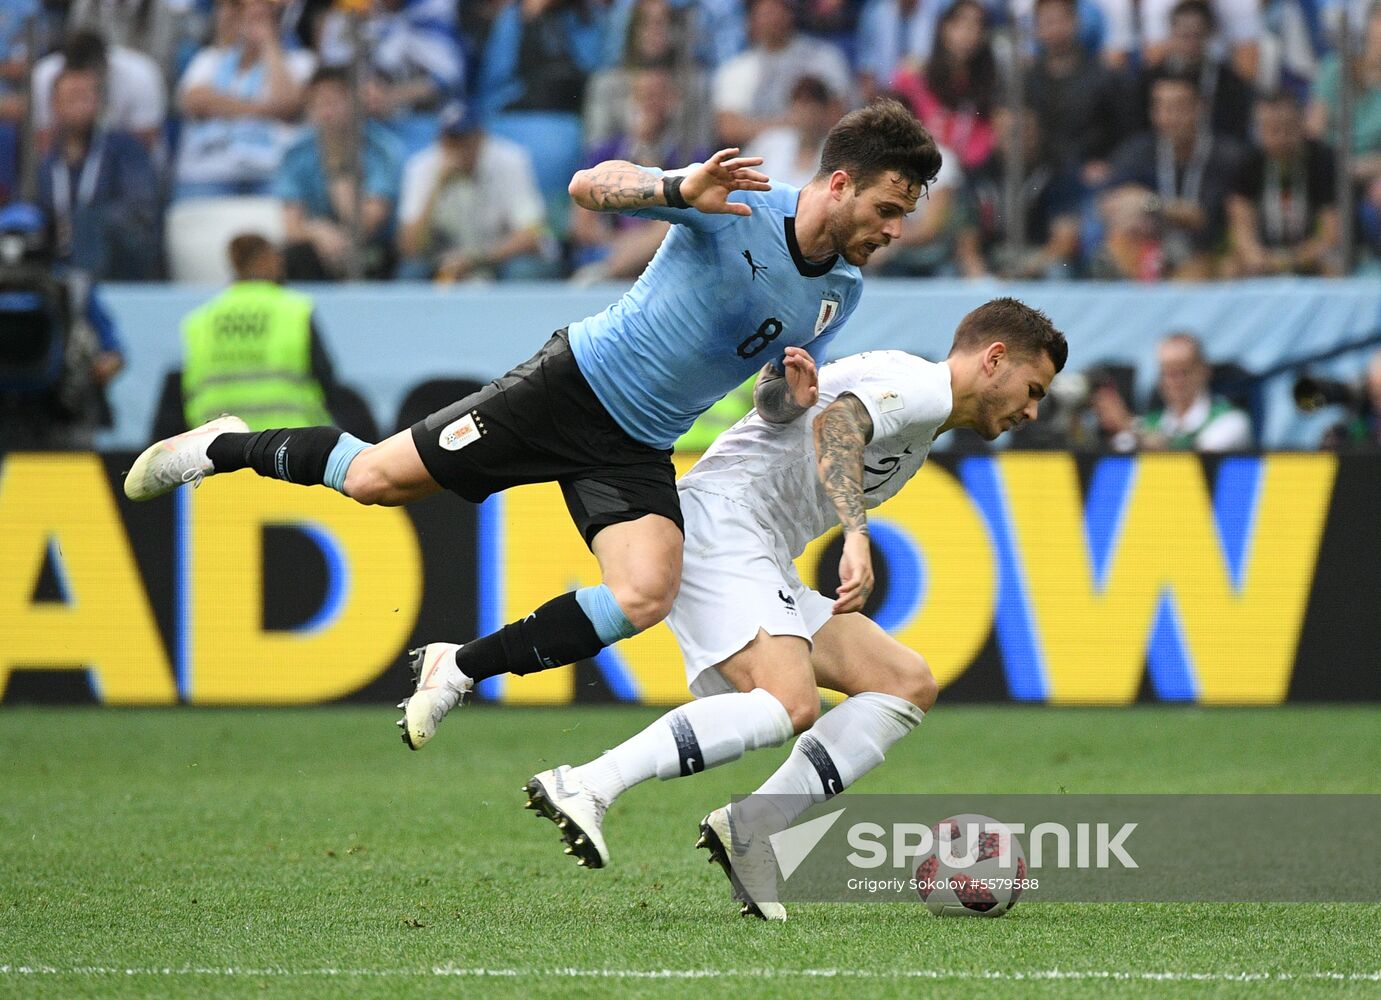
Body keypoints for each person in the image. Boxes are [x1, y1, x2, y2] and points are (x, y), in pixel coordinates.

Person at [122, 99, 943, 755]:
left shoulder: (842, 288)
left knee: (646, 593)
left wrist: (787, 401)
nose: (893, 230)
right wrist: (673, 187)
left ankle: (458, 665)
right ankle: (220, 445)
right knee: (374, 481)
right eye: (885, 207)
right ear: (838, 184)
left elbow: (765, 392)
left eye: (903, 215)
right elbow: (589, 186)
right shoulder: (736, 202)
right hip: (570, 387)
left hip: (636, 443)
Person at [522, 298, 1067, 921]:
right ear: (994, 359)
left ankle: (755, 823)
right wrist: (856, 537)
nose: (1031, 410)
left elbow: (782, 408)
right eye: (1033, 389)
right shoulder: (920, 388)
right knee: (791, 702)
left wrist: (783, 392)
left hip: (759, 547)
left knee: (903, 683)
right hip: (724, 524)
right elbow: (835, 426)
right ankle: (588, 783)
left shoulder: (920, 406)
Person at [0, 203, 124, 450]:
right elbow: (115, 357)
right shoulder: (76, 285)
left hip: (60, 414)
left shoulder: (74, 288)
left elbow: (114, 356)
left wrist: (85, 373)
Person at [180, 233, 335, 431]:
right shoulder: (294, 310)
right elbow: (325, 377)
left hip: (219, 444)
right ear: (266, 260)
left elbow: (189, 390)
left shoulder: (202, 319)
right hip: (287, 442)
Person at [1098, 71, 1244, 281]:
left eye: (1178, 107)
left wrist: (1150, 203)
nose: (1170, 117)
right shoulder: (1138, 151)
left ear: (1199, 108)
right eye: (1162, 108)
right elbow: (1109, 203)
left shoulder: (1224, 155)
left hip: (1204, 252)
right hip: (1152, 246)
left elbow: (1204, 216)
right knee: (1118, 239)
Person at [395, 101, 557, 282]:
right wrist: (437, 186)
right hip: (447, 261)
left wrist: (475, 259)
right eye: (450, 140)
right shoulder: (422, 166)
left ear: (480, 137)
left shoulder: (510, 160)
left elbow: (530, 235)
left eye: (464, 139)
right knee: (412, 271)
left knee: (523, 269)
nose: (457, 148)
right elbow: (409, 247)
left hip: (499, 258)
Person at [274, 66, 403, 281]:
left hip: (373, 246)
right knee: (294, 255)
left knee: (367, 258)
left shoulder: (382, 151)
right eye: (318, 105)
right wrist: (317, 232)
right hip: (319, 244)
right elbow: (291, 225)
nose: (326, 113)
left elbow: (365, 225)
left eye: (333, 103)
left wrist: (337, 169)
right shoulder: (296, 154)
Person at [37, 63, 161, 281]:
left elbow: (140, 208)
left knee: (87, 221)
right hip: (63, 253)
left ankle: (84, 297)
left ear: (99, 103)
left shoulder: (124, 148)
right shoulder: (49, 162)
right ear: (55, 104)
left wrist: (83, 223)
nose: (79, 105)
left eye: (86, 96)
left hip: (120, 255)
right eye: (71, 97)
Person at [1226, 92, 1340, 277]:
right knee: (1230, 267)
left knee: (1335, 266)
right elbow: (1240, 224)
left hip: (1309, 252)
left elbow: (1332, 233)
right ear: (1259, 130)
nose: (1281, 138)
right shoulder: (1247, 162)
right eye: (1272, 130)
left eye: (1288, 128)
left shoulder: (1323, 160)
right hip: (1264, 253)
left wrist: (1291, 260)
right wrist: (1254, 255)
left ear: (1301, 124)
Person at [712, 0, 852, 147]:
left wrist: (753, 126)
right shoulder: (735, 69)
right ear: (751, 19)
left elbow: (839, 117)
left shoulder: (824, 57)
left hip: (814, 158)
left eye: (778, 10)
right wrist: (791, 122)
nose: (773, 19)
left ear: (792, 14)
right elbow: (728, 129)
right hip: (755, 160)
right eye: (766, 13)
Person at [1093, 331, 1253, 451]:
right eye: (1168, 373)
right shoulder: (1151, 423)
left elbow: (1194, 459)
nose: (1176, 381)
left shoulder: (1230, 420)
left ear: (1204, 371)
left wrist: (1128, 424)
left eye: (1184, 371)